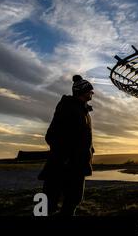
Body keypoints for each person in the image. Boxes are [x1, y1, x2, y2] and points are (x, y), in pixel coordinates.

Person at [38, 75, 95, 216]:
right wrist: (65, 157)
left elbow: (83, 137)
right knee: (49, 202)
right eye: (90, 91)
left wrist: (89, 151)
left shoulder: (84, 112)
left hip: (78, 163)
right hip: (63, 164)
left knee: (74, 199)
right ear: (82, 92)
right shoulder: (68, 108)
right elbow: (51, 135)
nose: (92, 93)